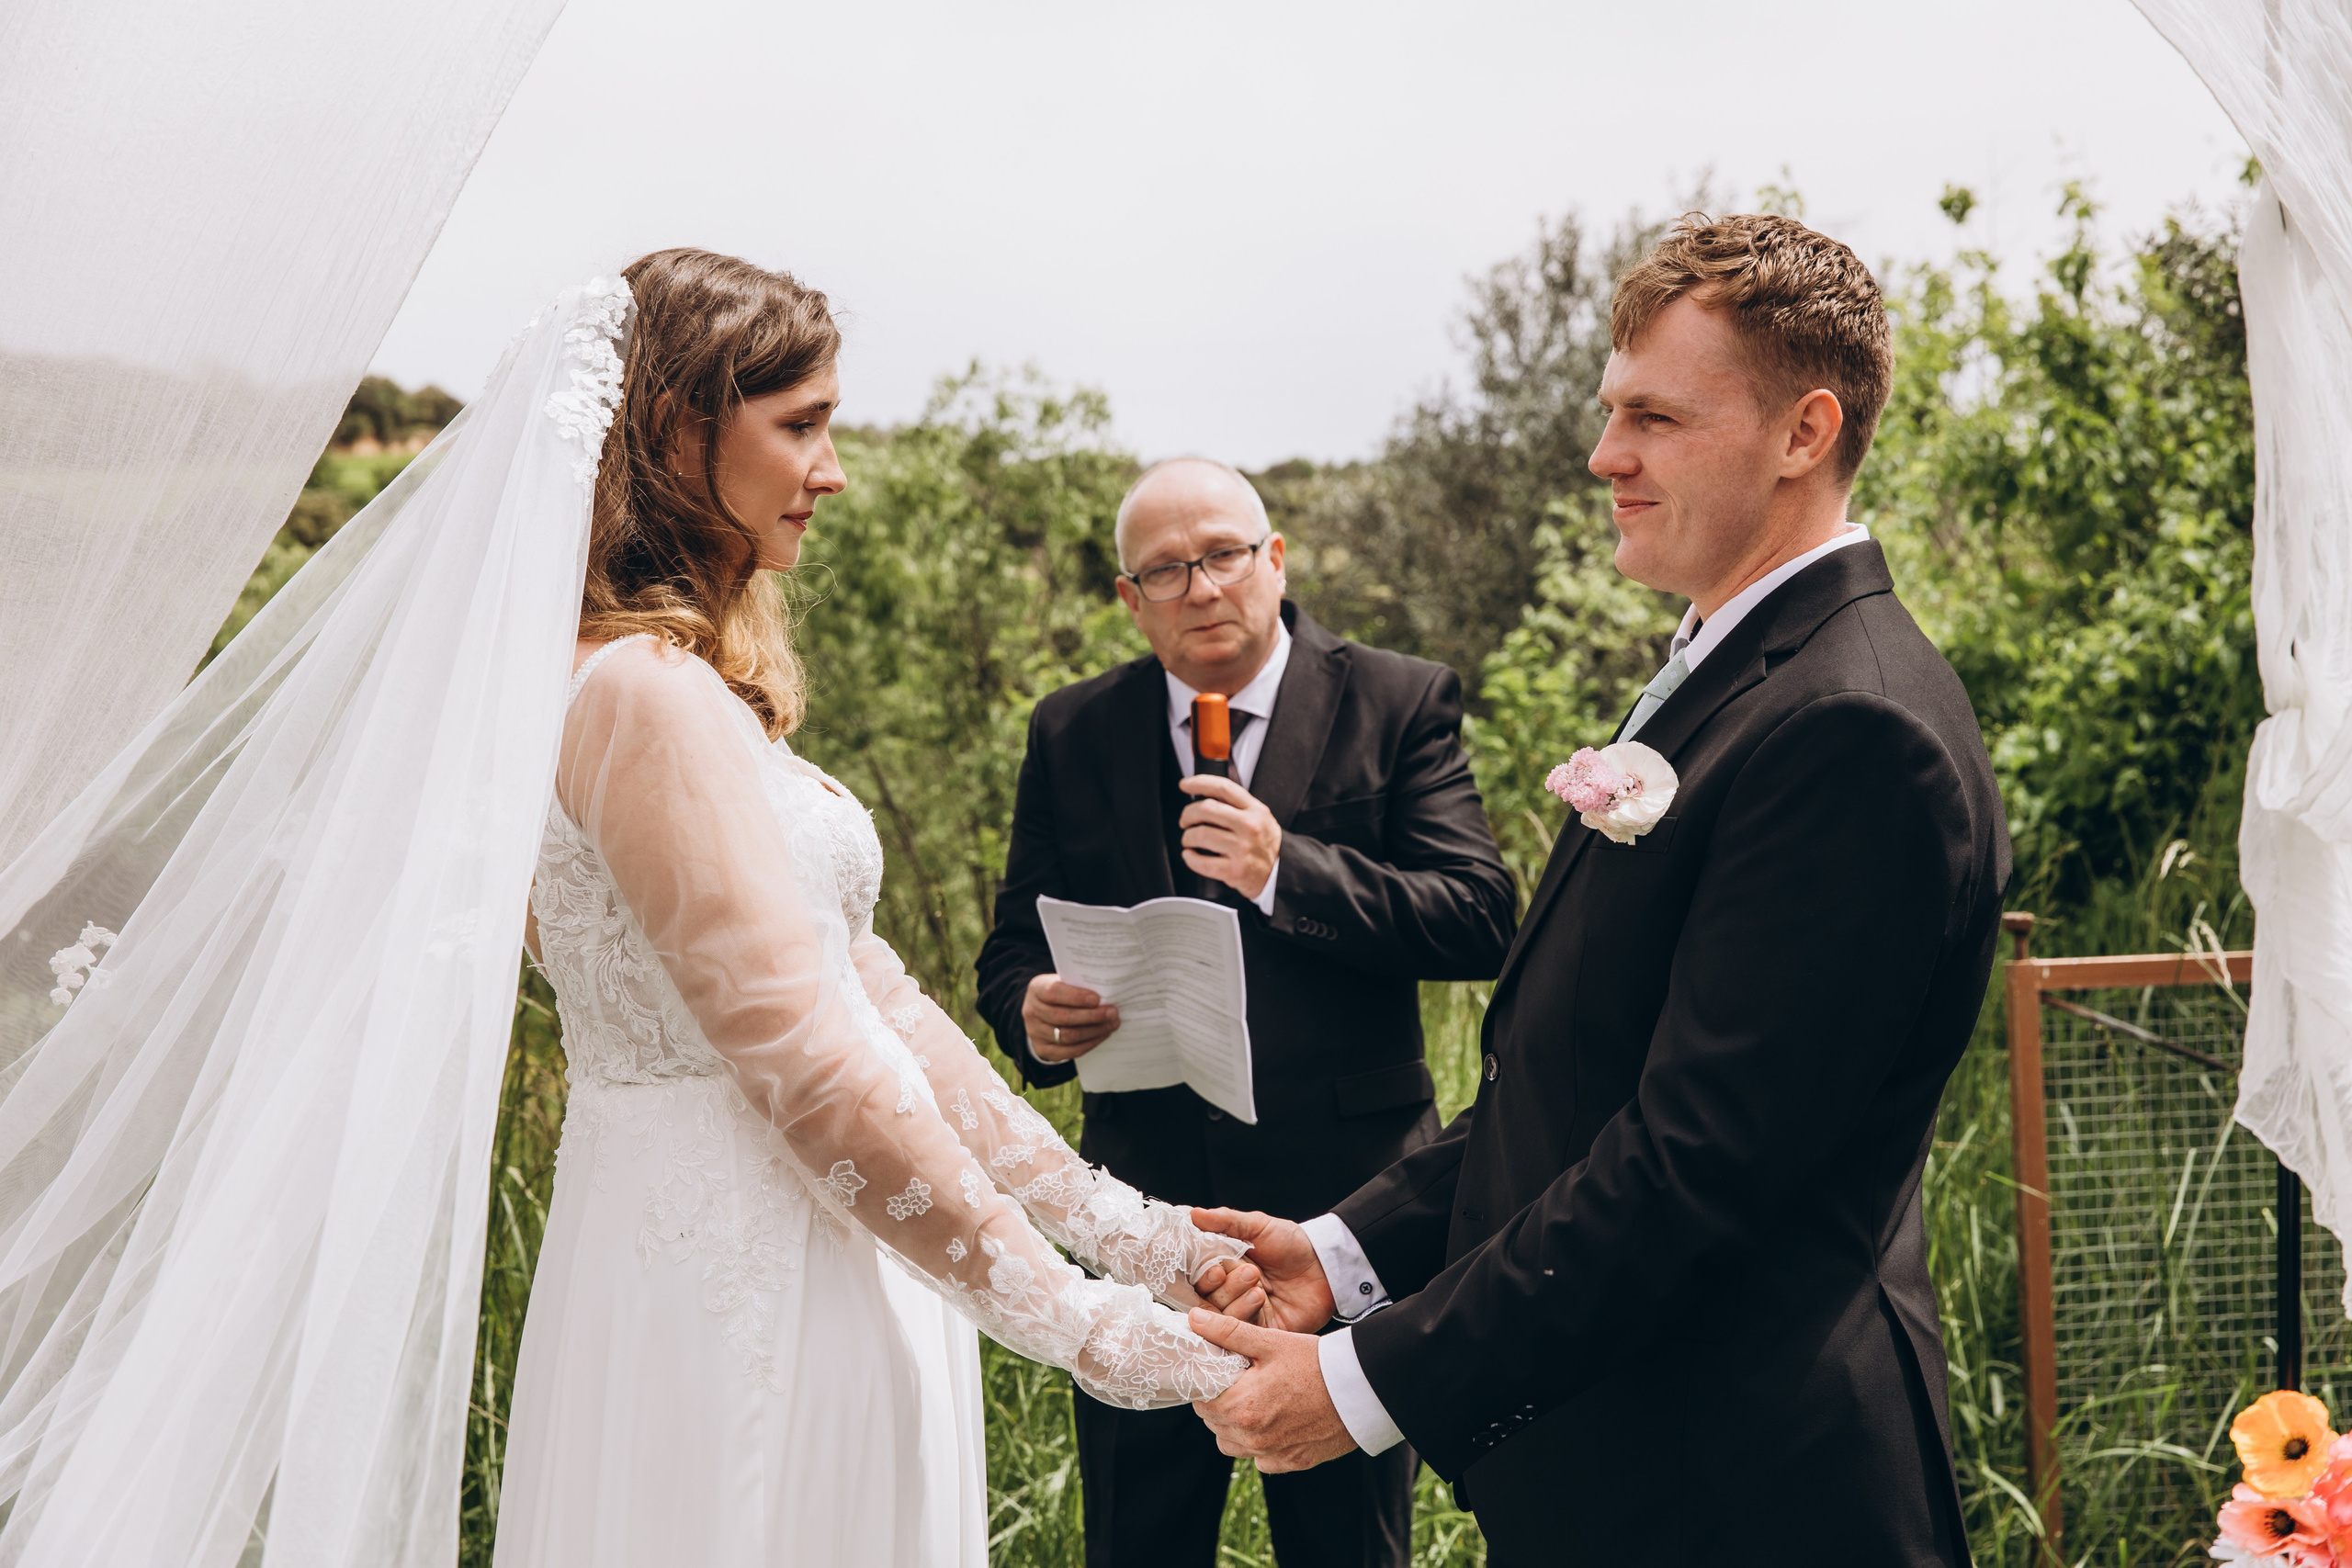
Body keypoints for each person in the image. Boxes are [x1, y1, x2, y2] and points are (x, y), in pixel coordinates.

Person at [0, 252, 1252, 1566]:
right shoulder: (640, 695)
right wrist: (1079, 1319)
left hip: (815, 1237)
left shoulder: (667, 687)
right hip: (745, 1272)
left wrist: (1129, 1230)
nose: (834, 470)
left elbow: (869, 991)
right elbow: (806, 1061)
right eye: (802, 424)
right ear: (675, 427)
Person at [1182, 215, 2009, 1567]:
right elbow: (1571, 1074)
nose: (1603, 453)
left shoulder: (1855, 728)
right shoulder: (1731, 671)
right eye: (1609, 410)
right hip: (1629, 1466)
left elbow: (1692, 1164)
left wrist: (1362, 1379)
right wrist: (1345, 1249)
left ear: (1805, 431)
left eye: (1655, 416)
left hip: (1741, 1487)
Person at [975, 457, 1517, 1568]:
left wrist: (1287, 871)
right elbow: (1010, 943)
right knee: (1137, 1532)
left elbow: (1478, 917)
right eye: (1166, 570)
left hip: (1344, 1204)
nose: (1202, 586)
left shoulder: (1399, 699)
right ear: (1129, 599)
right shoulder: (1071, 729)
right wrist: (1029, 1010)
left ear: (1274, 560)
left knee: (1346, 1546)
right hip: (1143, 1203)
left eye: (1223, 554)